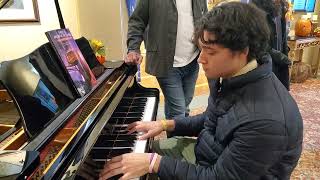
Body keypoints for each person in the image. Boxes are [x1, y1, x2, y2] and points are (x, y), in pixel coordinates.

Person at [99, 2, 303, 180]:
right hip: (207, 156)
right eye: (201, 48)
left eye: (211, 52)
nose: (200, 59)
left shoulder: (266, 122)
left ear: (243, 51)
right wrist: (164, 124)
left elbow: (218, 177)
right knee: (138, 152)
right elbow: (213, 119)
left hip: (214, 171)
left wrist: (154, 163)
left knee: (144, 161)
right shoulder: (231, 76)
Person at [125, 0, 208, 119]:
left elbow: (205, 19)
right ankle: (178, 135)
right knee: (178, 110)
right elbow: (137, 20)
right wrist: (133, 48)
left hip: (193, 59)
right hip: (164, 61)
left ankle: (173, 135)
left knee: (185, 105)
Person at [251, 0, 291, 90]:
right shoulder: (255, 8)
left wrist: (284, 51)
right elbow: (254, 42)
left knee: (280, 92)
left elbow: (282, 36)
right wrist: (277, 56)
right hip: (264, 63)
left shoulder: (280, 6)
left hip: (279, 64)